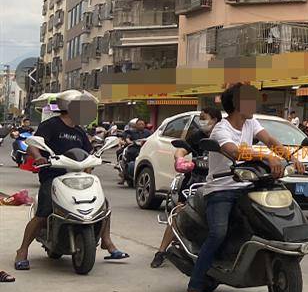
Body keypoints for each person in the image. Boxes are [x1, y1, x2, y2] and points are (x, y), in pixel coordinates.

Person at [182, 83, 302, 292]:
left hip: (249, 184)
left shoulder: (251, 122)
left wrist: (291, 157)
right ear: (237, 105)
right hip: (222, 188)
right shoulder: (221, 129)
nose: (254, 104)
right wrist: (266, 157)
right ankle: (193, 290)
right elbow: (234, 151)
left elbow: (270, 141)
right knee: (218, 233)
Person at [14, 90, 128, 270]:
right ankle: (22, 251)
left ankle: (106, 241)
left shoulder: (79, 132)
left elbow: (89, 152)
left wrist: (91, 164)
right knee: (44, 212)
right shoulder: (51, 125)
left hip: (77, 176)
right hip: (53, 175)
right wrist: (38, 156)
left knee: (103, 205)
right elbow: (33, 145)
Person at [151, 108, 221, 269]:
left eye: (205, 118)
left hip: (220, 181)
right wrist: (180, 159)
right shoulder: (198, 135)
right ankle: (161, 251)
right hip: (196, 180)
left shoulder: (226, 135)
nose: (202, 121)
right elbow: (181, 149)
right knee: (179, 212)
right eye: (201, 118)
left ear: (216, 120)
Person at [118, 119, 151, 185]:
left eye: (142, 124)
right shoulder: (131, 132)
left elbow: (152, 138)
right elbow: (127, 138)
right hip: (134, 148)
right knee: (126, 153)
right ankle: (124, 175)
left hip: (145, 149)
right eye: (139, 124)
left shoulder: (148, 132)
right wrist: (131, 142)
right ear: (136, 125)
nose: (141, 126)